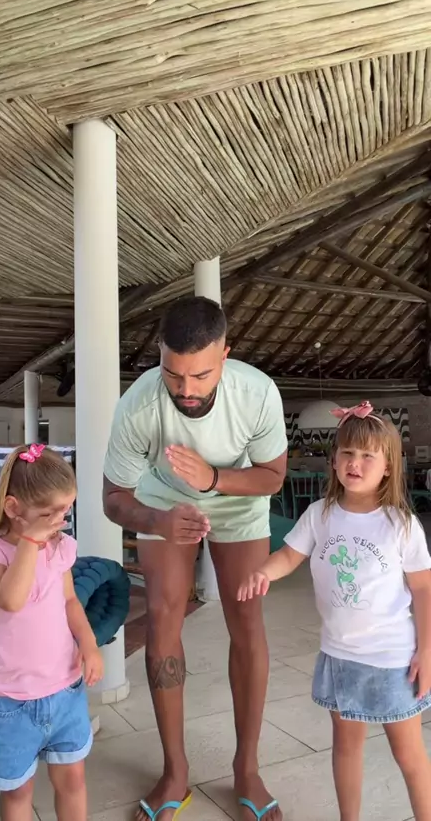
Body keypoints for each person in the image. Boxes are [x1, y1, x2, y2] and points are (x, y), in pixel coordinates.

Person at [103, 296, 288, 821]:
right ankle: (175, 772)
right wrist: (157, 521)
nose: (185, 389)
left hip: (238, 499)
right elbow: (113, 498)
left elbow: (273, 476)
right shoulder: (138, 405)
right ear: (160, 355)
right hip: (164, 503)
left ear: (225, 355)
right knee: (163, 616)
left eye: (201, 376)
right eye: (173, 373)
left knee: (246, 621)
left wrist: (212, 479)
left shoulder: (257, 394)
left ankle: (247, 769)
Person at [238, 402, 431, 821]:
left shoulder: (400, 524)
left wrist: (427, 651)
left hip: (392, 660)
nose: (355, 463)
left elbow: (423, 589)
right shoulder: (320, 515)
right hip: (340, 656)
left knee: (408, 753)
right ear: (334, 460)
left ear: (388, 466)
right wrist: (264, 571)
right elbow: (289, 556)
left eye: (367, 456)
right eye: (347, 453)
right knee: (345, 747)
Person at [0, 444, 104, 821]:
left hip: (65, 690)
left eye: (66, 510)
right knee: (18, 790)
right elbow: (11, 599)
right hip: (9, 701)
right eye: (49, 513)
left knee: (73, 780)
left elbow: (70, 601)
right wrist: (30, 544)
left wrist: (88, 643)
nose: (60, 521)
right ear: (13, 508)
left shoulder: (59, 548)